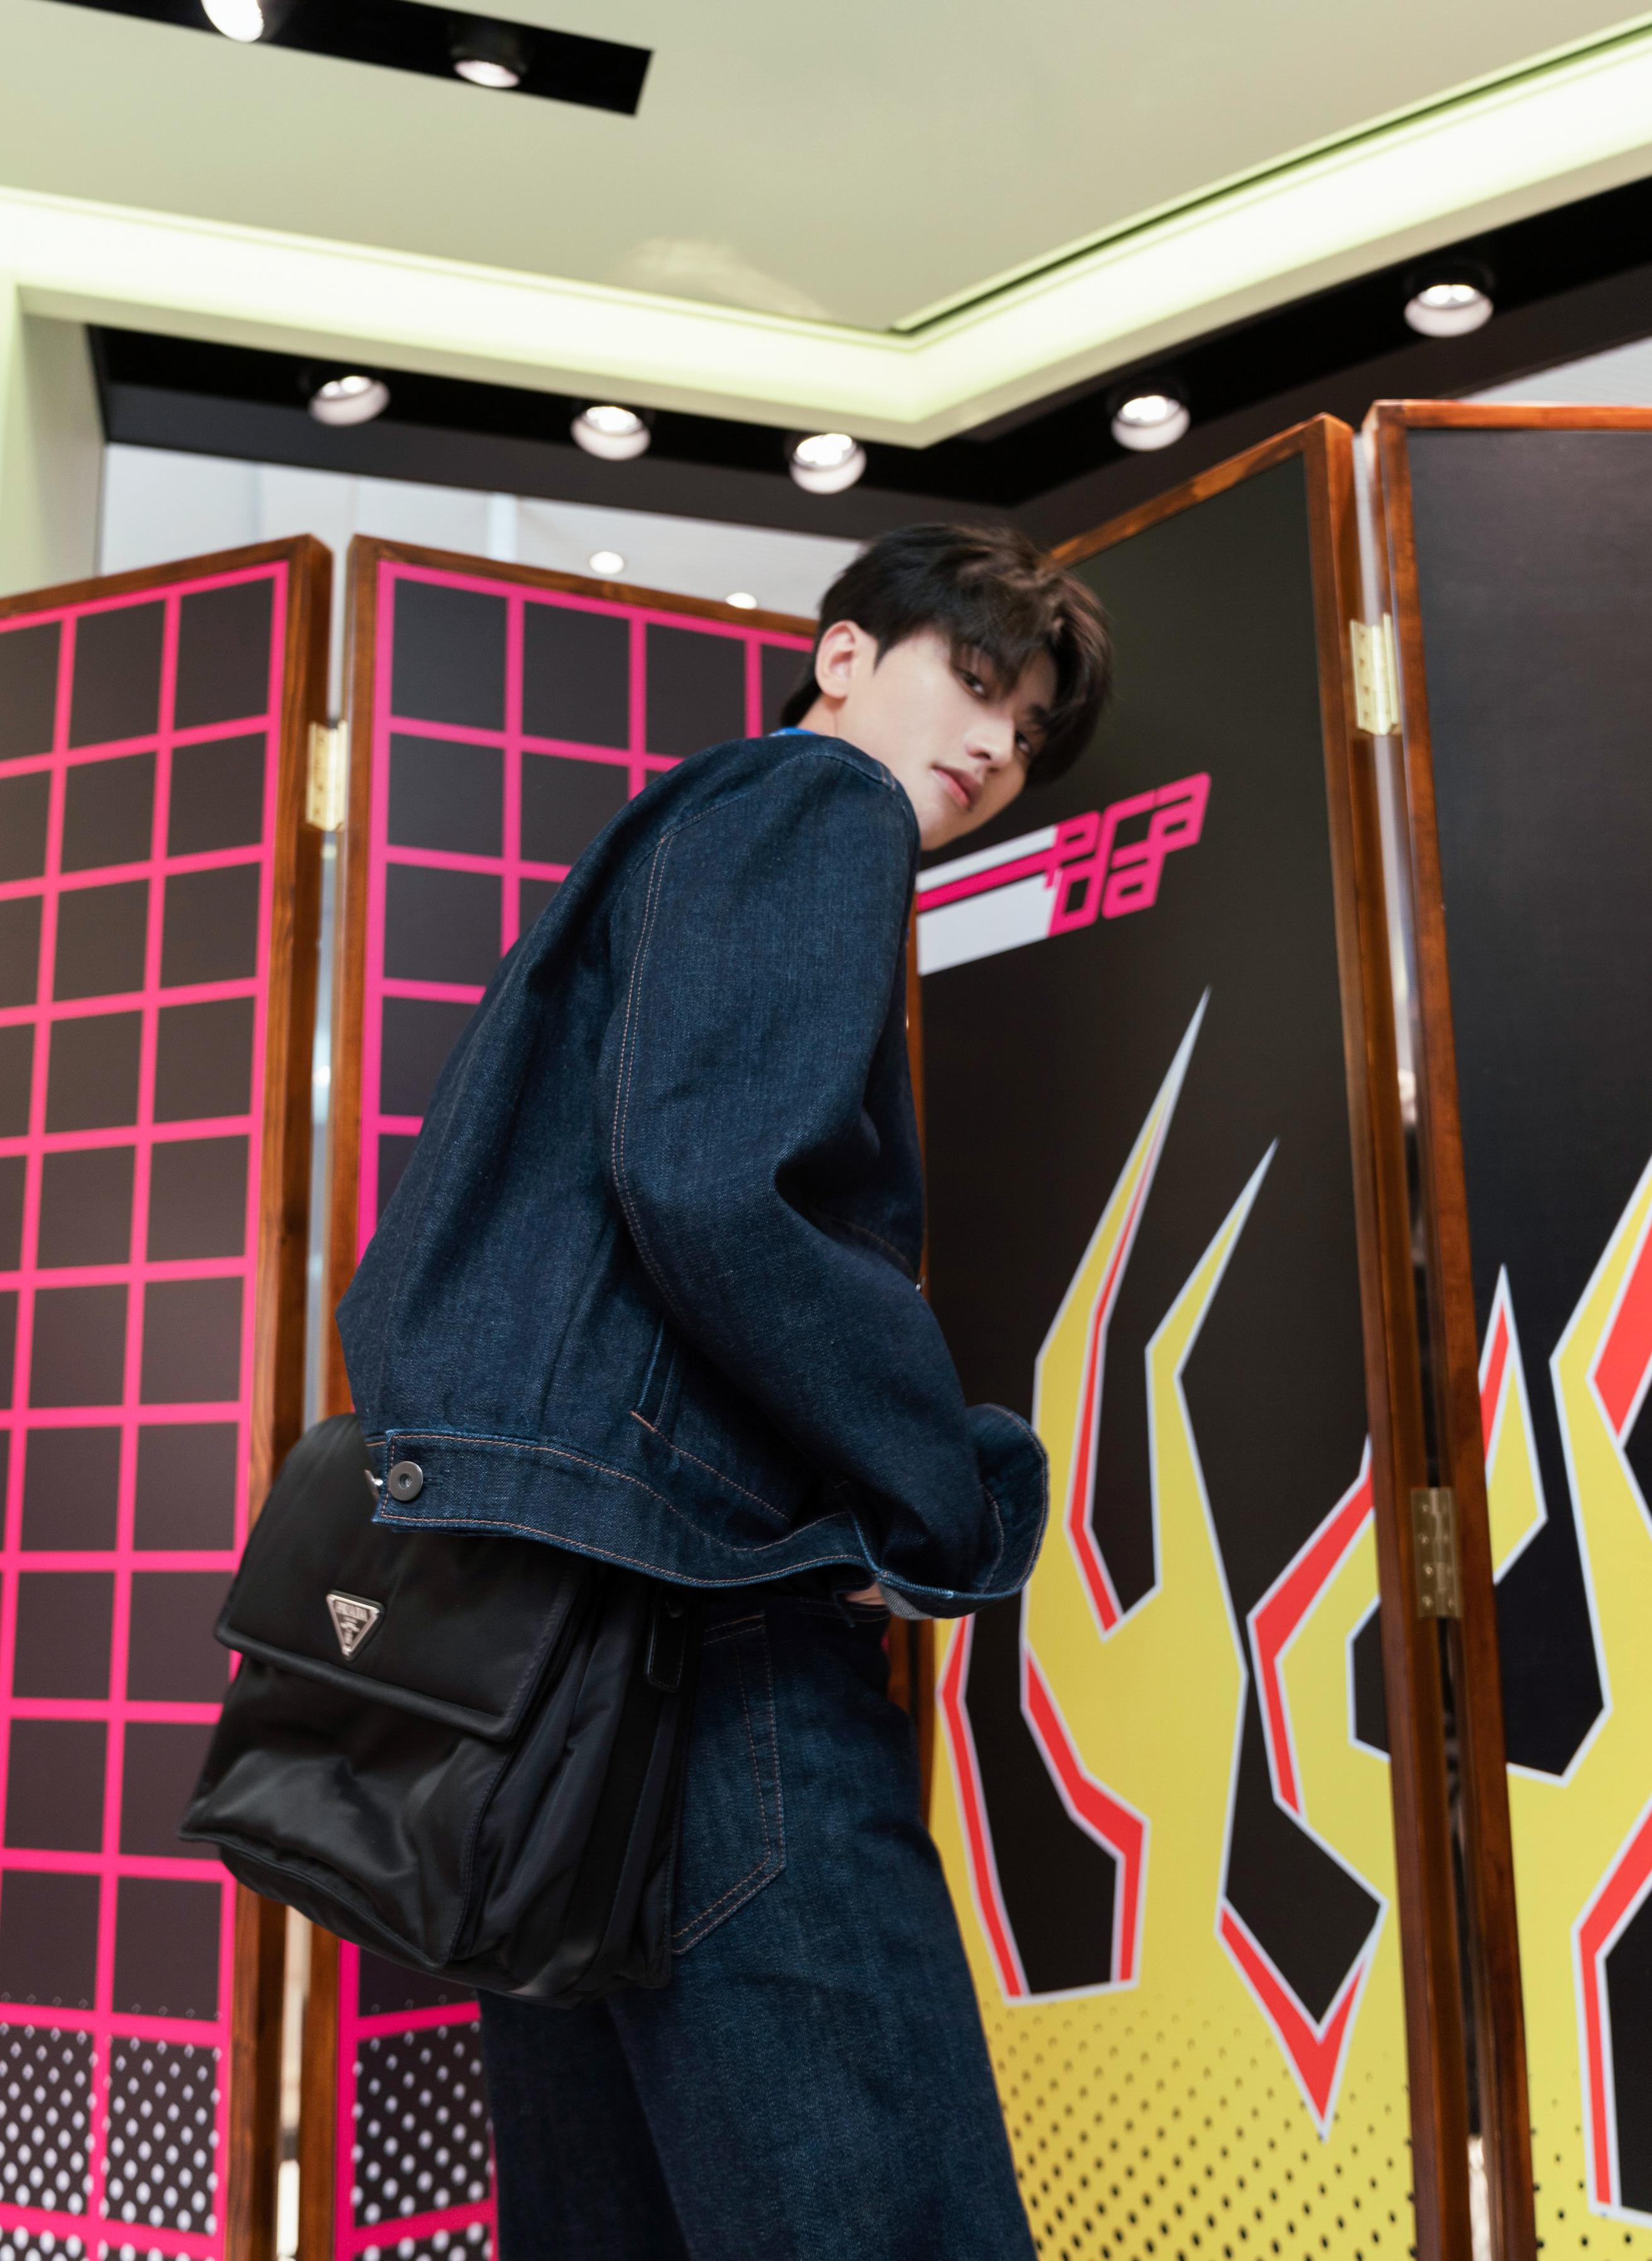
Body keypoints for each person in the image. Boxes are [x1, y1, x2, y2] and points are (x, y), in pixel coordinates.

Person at [335, 523, 1112, 2259]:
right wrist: (939, 1493)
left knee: (611, 2216)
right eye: (976, 681)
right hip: (713, 1629)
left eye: (1027, 733)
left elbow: (433, 1272)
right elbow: (710, 1183)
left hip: (537, 1670)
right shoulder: (818, 804)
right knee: (878, 2211)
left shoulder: (665, 844)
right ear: (843, 655)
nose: (995, 746)